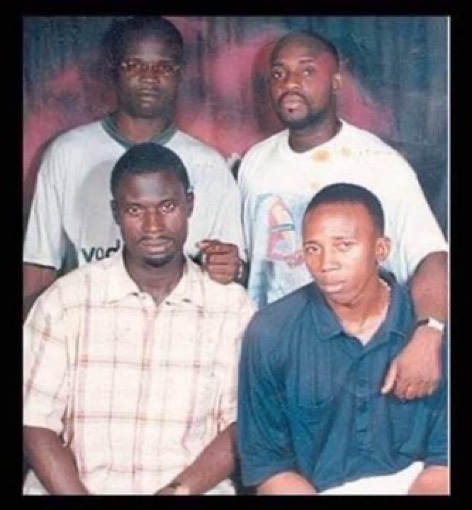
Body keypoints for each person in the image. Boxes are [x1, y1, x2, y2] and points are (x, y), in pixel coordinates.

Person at [23, 143, 256, 495]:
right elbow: (34, 421)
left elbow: (241, 424)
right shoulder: (66, 302)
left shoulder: (231, 308)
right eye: (135, 210)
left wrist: (179, 491)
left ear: (190, 205)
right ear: (116, 213)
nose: (153, 226)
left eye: (168, 206)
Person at [237, 30, 448, 400]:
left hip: (352, 366)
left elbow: (431, 256)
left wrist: (430, 331)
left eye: (307, 71)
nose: (290, 83)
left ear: (336, 82)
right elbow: (253, 264)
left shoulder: (379, 165)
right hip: (273, 361)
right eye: (279, 73)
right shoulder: (256, 161)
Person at [23, 16, 246, 319]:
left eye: (163, 67)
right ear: (113, 69)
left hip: (180, 328)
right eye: (134, 65)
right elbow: (39, 266)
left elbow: (232, 269)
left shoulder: (210, 165)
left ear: (180, 73)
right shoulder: (67, 154)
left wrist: (232, 267)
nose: (149, 77)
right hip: (88, 325)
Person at [238, 183, 448, 495]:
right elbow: (269, 465)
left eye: (344, 245)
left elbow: (444, 464)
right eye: (313, 248)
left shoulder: (430, 333)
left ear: (381, 249)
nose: (326, 263)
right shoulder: (271, 331)